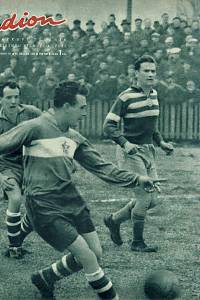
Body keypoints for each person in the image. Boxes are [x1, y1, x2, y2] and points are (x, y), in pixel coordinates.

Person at [0, 80, 157, 300]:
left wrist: (137, 178)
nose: (85, 112)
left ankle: (45, 278)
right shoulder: (34, 127)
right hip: (42, 204)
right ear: (66, 106)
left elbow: (102, 167)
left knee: (96, 253)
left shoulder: (74, 137)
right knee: (87, 256)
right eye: (82, 107)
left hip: (70, 199)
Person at [103, 55, 174, 252]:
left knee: (153, 200)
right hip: (130, 152)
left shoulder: (154, 94)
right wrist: (125, 144)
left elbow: (151, 126)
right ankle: (137, 242)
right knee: (144, 197)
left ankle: (114, 220)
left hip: (148, 151)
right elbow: (108, 126)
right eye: (146, 71)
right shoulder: (125, 97)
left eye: (153, 71)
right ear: (136, 73)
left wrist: (162, 143)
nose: (151, 74)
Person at [0, 81, 41, 258]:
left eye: (16, 96)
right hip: (6, 166)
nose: (13, 101)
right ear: (1, 99)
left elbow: (50, 126)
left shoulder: (31, 113)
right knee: (15, 198)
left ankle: (18, 238)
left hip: (31, 164)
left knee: (41, 205)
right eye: (8, 97)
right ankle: (14, 246)